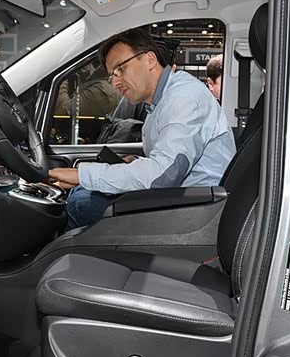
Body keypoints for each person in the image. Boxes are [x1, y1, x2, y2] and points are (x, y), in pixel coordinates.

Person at [48, 28, 236, 229]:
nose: (115, 82)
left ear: (150, 60)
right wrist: (134, 162)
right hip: (183, 199)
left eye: (120, 69)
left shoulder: (184, 98)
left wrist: (82, 174)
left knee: (81, 204)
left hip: (196, 211)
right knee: (82, 195)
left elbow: (163, 175)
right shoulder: (161, 101)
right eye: (111, 76)